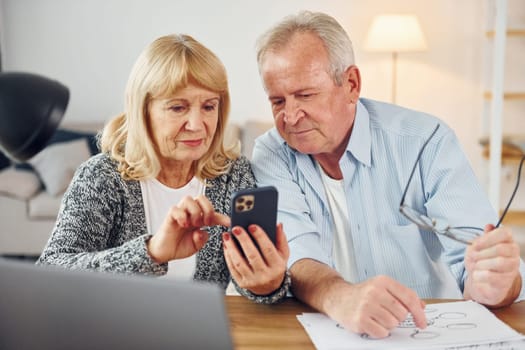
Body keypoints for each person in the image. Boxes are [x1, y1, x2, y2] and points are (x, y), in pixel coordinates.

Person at [251, 10, 525, 337]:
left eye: (305, 95)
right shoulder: (271, 152)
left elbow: (480, 263)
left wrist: (496, 285)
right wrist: (342, 297)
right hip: (316, 330)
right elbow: (295, 256)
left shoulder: (427, 141)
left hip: (424, 332)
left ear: (351, 84)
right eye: (277, 101)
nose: (291, 116)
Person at [37, 34, 290, 304]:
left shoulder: (233, 175)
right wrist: (152, 252)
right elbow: (49, 275)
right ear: (143, 111)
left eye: (208, 106)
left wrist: (267, 286)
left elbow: (248, 286)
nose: (196, 124)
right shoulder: (102, 177)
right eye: (178, 107)